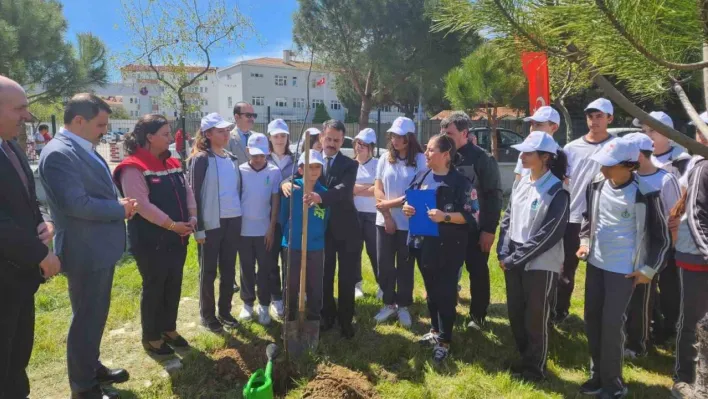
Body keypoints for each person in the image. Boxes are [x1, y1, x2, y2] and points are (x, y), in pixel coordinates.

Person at [39, 93, 137, 399]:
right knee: (86, 318)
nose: (105, 130)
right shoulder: (59, 153)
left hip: (97, 248)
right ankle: (84, 388)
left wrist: (116, 203)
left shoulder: (81, 147)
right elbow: (76, 204)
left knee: (94, 314)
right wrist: (119, 209)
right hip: (84, 249)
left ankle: (91, 367)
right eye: (100, 124)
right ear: (79, 121)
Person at [577, 137, 670, 398]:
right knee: (592, 320)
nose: (604, 171)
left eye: (610, 166)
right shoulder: (596, 184)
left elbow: (662, 238)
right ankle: (596, 376)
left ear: (630, 165)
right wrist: (585, 242)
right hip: (595, 263)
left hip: (624, 271)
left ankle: (613, 384)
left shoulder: (646, 193)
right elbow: (588, 218)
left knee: (611, 324)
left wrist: (648, 270)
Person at [113, 114, 197, 356]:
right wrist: (172, 225)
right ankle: (151, 336)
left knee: (173, 283)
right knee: (155, 286)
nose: (171, 137)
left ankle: (168, 328)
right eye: (165, 134)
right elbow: (141, 204)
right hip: (152, 241)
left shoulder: (172, 163)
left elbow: (188, 190)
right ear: (149, 137)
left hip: (178, 237)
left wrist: (192, 217)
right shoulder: (133, 166)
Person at [0, 76, 60, 399]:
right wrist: (41, 254)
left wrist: (46, 224)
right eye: (20, 108)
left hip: (19, 283)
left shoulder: (11, 147)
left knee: (16, 360)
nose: (28, 116)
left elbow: (28, 203)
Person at [497, 131, 570, 381]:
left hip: (540, 263)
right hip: (514, 257)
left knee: (536, 317)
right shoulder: (522, 181)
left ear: (545, 157)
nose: (522, 156)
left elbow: (550, 234)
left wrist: (516, 258)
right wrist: (503, 249)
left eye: (528, 153)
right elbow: (508, 217)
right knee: (516, 312)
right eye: (522, 152)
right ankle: (523, 358)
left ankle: (535, 368)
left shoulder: (556, 190)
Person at [402, 134, 479, 363]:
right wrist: (407, 208)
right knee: (431, 291)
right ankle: (434, 330)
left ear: (446, 155)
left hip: (448, 247)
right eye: (426, 149)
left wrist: (445, 217)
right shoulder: (422, 175)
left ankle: (445, 340)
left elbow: (472, 216)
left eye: (431, 150)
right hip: (422, 244)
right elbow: (410, 199)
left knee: (445, 293)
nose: (426, 153)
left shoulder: (461, 183)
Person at [282, 120, 361, 338]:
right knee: (324, 276)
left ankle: (346, 320)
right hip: (321, 231)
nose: (332, 143)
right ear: (321, 138)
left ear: (342, 140)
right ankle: (326, 317)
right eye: (329, 139)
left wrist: (320, 197)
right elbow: (297, 177)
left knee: (346, 278)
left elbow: (343, 190)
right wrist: (285, 183)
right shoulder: (313, 161)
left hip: (347, 231)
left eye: (337, 140)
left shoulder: (349, 165)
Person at [556, 98, 618, 325]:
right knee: (565, 269)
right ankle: (560, 311)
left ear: (610, 118)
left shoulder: (616, 147)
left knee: (602, 271)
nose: (594, 121)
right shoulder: (571, 148)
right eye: (591, 116)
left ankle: (601, 316)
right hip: (573, 216)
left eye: (599, 116)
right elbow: (562, 179)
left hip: (605, 219)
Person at [440, 111, 502, 330]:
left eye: (449, 133)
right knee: (446, 271)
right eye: (442, 132)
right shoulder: (443, 155)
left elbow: (494, 195)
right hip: (448, 227)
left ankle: (478, 315)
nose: (444, 136)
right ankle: (446, 312)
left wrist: (489, 230)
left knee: (477, 271)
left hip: (475, 229)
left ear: (464, 133)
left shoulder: (482, 158)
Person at [623, 133, 681, 356]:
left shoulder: (665, 180)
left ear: (639, 154)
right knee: (640, 298)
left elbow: (675, 218)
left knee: (654, 296)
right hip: (633, 250)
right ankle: (642, 334)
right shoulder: (631, 178)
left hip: (659, 250)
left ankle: (649, 340)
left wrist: (668, 251)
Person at [188, 113, 242, 333]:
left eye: (227, 130)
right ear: (208, 134)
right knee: (208, 270)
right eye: (220, 131)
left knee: (228, 268)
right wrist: (198, 227)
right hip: (211, 223)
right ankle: (208, 315)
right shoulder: (200, 159)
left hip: (233, 220)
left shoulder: (231, 158)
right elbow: (194, 195)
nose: (226, 134)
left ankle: (225, 311)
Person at [374, 116, 427, 328]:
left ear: (409, 138)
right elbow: (378, 188)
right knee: (384, 264)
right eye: (393, 136)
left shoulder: (421, 160)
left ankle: (403, 304)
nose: (394, 140)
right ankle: (389, 303)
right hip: (384, 222)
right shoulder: (385, 158)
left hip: (409, 223)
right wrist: (386, 215)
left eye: (399, 136)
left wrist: (389, 204)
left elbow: (416, 192)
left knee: (405, 265)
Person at [670, 157, 708, 399]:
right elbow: (696, 216)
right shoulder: (703, 167)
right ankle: (686, 378)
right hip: (697, 257)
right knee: (694, 320)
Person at [237, 133, 282, 325]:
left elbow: (275, 201)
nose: (258, 159)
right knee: (246, 267)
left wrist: (271, 228)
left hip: (264, 229)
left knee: (264, 268)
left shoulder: (274, 172)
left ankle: (264, 305)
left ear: (268, 153)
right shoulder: (239, 170)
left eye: (262, 155)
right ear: (247, 152)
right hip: (244, 229)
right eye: (254, 155)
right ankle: (247, 303)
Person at [280, 150, 329, 323]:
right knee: (291, 284)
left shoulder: (323, 193)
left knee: (315, 284)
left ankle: (314, 318)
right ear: (300, 169)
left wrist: (315, 235)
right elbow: (283, 216)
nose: (314, 171)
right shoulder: (292, 190)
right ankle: (290, 318)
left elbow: (324, 220)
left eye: (317, 167)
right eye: (310, 167)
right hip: (293, 244)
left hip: (315, 246)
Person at [265, 119, 295, 319]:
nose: (279, 139)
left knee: (289, 261)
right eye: (276, 135)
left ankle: (289, 295)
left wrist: (288, 181)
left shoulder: (296, 159)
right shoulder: (262, 158)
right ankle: (275, 297)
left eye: (283, 135)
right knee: (269, 260)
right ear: (270, 137)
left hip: (289, 218)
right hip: (266, 218)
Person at [353, 128, 380, 299]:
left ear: (371, 147)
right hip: (354, 214)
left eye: (364, 144)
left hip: (372, 214)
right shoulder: (350, 164)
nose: (360, 147)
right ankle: (357, 285)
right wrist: (368, 187)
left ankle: (382, 284)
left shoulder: (378, 164)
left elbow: (377, 189)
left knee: (375, 251)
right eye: (358, 143)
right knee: (354, 251)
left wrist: (357, 189)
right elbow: (348, 188)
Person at [634, 111, 690, 181]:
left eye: (652, 130)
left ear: (667, 132)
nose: (647, 135)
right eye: (644, 131)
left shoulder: (681, 161)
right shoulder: (640, 159)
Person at [514, 106, 561, 179]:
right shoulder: (524, 152)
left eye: (538, 124)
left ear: (554, 127)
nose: (532, 128)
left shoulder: (561, 155)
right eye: (532, 124)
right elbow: (517, 180)